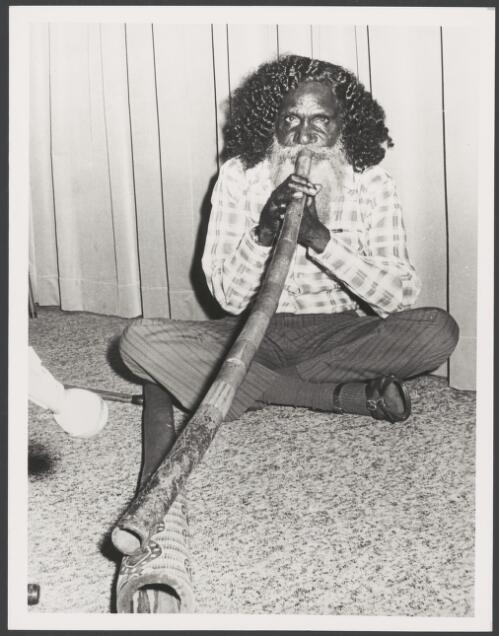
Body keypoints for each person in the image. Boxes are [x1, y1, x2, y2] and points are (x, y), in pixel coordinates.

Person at [119, 55, 459, 485]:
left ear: (344, 124)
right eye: (290, 120)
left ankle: (244, 389)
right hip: (251, 335)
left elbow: (398, 296)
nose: (304, 137)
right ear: (270, 122)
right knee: (136, 342)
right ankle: (339, 396)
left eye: (321, 121)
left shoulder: (371, 181)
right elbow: (227, 297)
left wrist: (321, 240)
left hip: (338, 334)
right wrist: (263, 232)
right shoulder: (240, 176)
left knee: (437, 332)